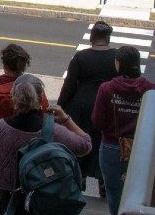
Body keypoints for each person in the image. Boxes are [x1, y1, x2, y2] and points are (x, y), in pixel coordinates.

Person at [0, 75, 92, 215]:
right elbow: (85, 145)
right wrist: (66, 119)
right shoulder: (54, 131)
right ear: (40, 97)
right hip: (45, 196)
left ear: (13, 96)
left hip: (9, 198)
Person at [92, 46, 155, 215]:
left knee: (114, 191)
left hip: (112, 147)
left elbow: (97, 122)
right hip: (142, 149)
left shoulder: (106, 89)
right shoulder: (152, 90)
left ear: (118, 64)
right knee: (142, 193)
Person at [58, 21, 118, 198]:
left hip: (80, 107)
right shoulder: (116, 57)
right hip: (105, 107)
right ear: (108, 38)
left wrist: (60, 106)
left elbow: (69, 85)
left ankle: (79, 182)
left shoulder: (81, 57)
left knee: (80, 144)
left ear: (92, 37)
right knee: (102, 146)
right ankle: (104, 185)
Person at [0, 44, 48, 133]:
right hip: (31, 139)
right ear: (23, 66)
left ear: (4, 65)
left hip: (1, 137)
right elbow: (46, 115)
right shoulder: (35, 87)